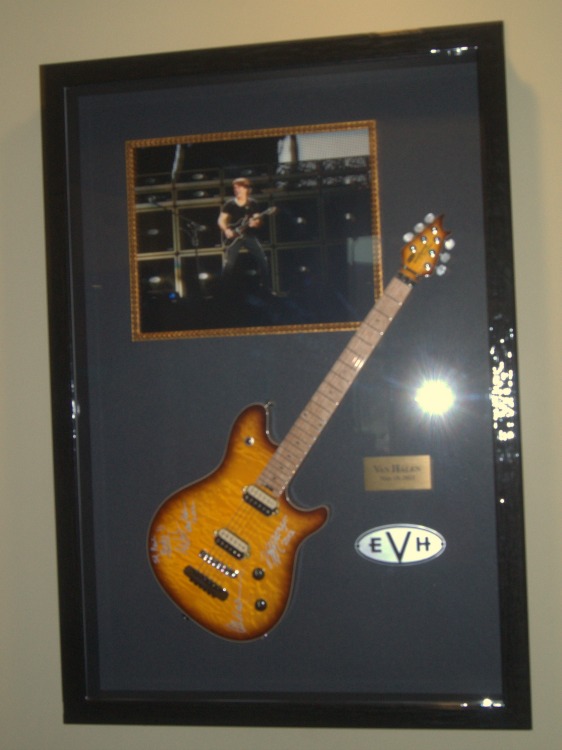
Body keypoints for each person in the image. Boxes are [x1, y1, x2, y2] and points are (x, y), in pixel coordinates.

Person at [218, 177, 272, 293]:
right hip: (234, 237)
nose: (236, 190)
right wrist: (226, 230)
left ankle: (266, 288)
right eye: (235, 188)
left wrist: (255, 223)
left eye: (239, 188)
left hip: (249, 235)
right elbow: (221, 220)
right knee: (228, 264)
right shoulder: (230, 204)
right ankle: (222, 291)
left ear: (247, 189)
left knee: (262, 259)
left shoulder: (253, 203)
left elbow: (258, 220)